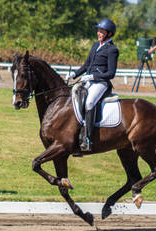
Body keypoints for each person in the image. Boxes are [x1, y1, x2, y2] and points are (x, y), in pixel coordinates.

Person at [65, 18, 119, 152]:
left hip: (101, 83)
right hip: (88, 80)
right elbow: (86, 65)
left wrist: (94, 76)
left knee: (89, 103)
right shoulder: (95, 45)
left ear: (109, 34)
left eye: (101, 31)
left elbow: (111, 73)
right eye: (98, 30)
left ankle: (87, 138)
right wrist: (74, 74)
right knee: (72, 98)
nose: (99, 33)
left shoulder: (112, 50)